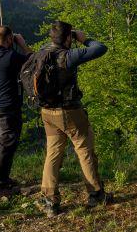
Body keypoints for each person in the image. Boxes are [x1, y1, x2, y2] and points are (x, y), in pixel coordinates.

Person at [39, 21, 110, 216]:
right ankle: (95, 194)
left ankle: (49, 200)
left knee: (53, 153)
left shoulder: (42, 53)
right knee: (84, 149)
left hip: (47, 112)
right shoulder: (68, 56)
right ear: (68, 38)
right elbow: (100, 48)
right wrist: (84, 38)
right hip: (69, 112)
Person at [0, 25, 33, 201]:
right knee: (6, 146)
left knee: (1, 144)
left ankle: (2, 178)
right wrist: (22, 44)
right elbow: (34, 62)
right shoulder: (11, 57)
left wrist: (1, 38)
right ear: (10, 40)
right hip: (8, 108)